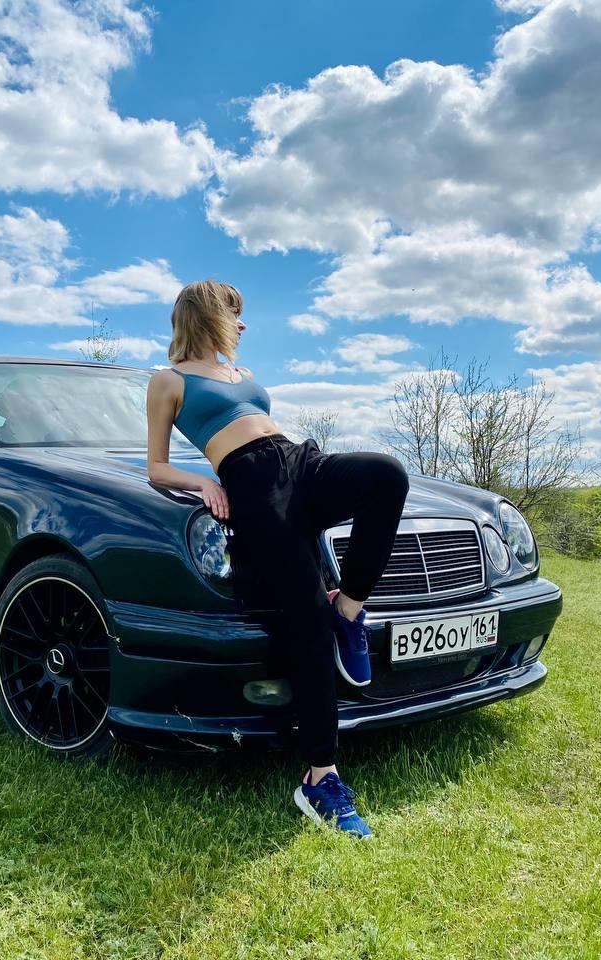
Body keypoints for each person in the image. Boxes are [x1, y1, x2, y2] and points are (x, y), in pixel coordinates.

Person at [145, 279, 409, 838]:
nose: (242, 325)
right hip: (252, 486)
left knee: (387, 476)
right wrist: (204, 483)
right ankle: (320, 777)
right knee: (305, 622)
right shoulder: (168, 380)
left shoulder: (241, 373)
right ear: (207, 314)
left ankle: (349, 610)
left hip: (299, 461)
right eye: (233, 314)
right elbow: (156, 468)